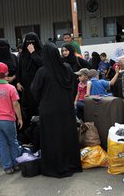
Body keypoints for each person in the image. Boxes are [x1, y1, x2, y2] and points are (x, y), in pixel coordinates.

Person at [31, 42, 82, 178]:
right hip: (66, 109)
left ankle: (54, 166)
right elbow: (73, 87)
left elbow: (34, 91)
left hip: (49, 110)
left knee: (52, 138)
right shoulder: (66, 68)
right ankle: (70, 163)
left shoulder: (42, 71)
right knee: (67, 137)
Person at [16, 32, 43, 125]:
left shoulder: (40, 52)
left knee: (37, 106)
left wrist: (33, 53)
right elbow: (19, 69)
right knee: (27, 107)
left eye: (32, 41)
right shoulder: (22, 54)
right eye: (28, 41)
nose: (30, 44)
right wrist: (18, 82)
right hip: (25, 87)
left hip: (38, 85)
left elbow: (41, 64)